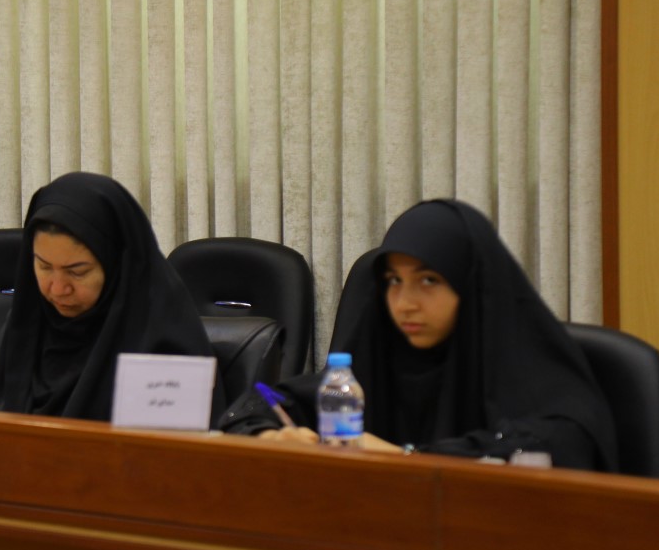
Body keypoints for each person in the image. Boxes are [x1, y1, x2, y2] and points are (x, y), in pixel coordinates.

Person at [221, 199, 618, 472]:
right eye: (394, 281)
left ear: (473, 287)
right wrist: (268, 434)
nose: (405, 303)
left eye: (428, 280)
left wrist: (405, 457)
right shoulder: (379, 361)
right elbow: (264, 400)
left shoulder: (533, 377)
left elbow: (552, 449)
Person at [0, 171, 226, 423]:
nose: (57, 289)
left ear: (117, 265)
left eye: (77, 272)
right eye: (44, 266)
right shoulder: (26, 326)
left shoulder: (163, 343)